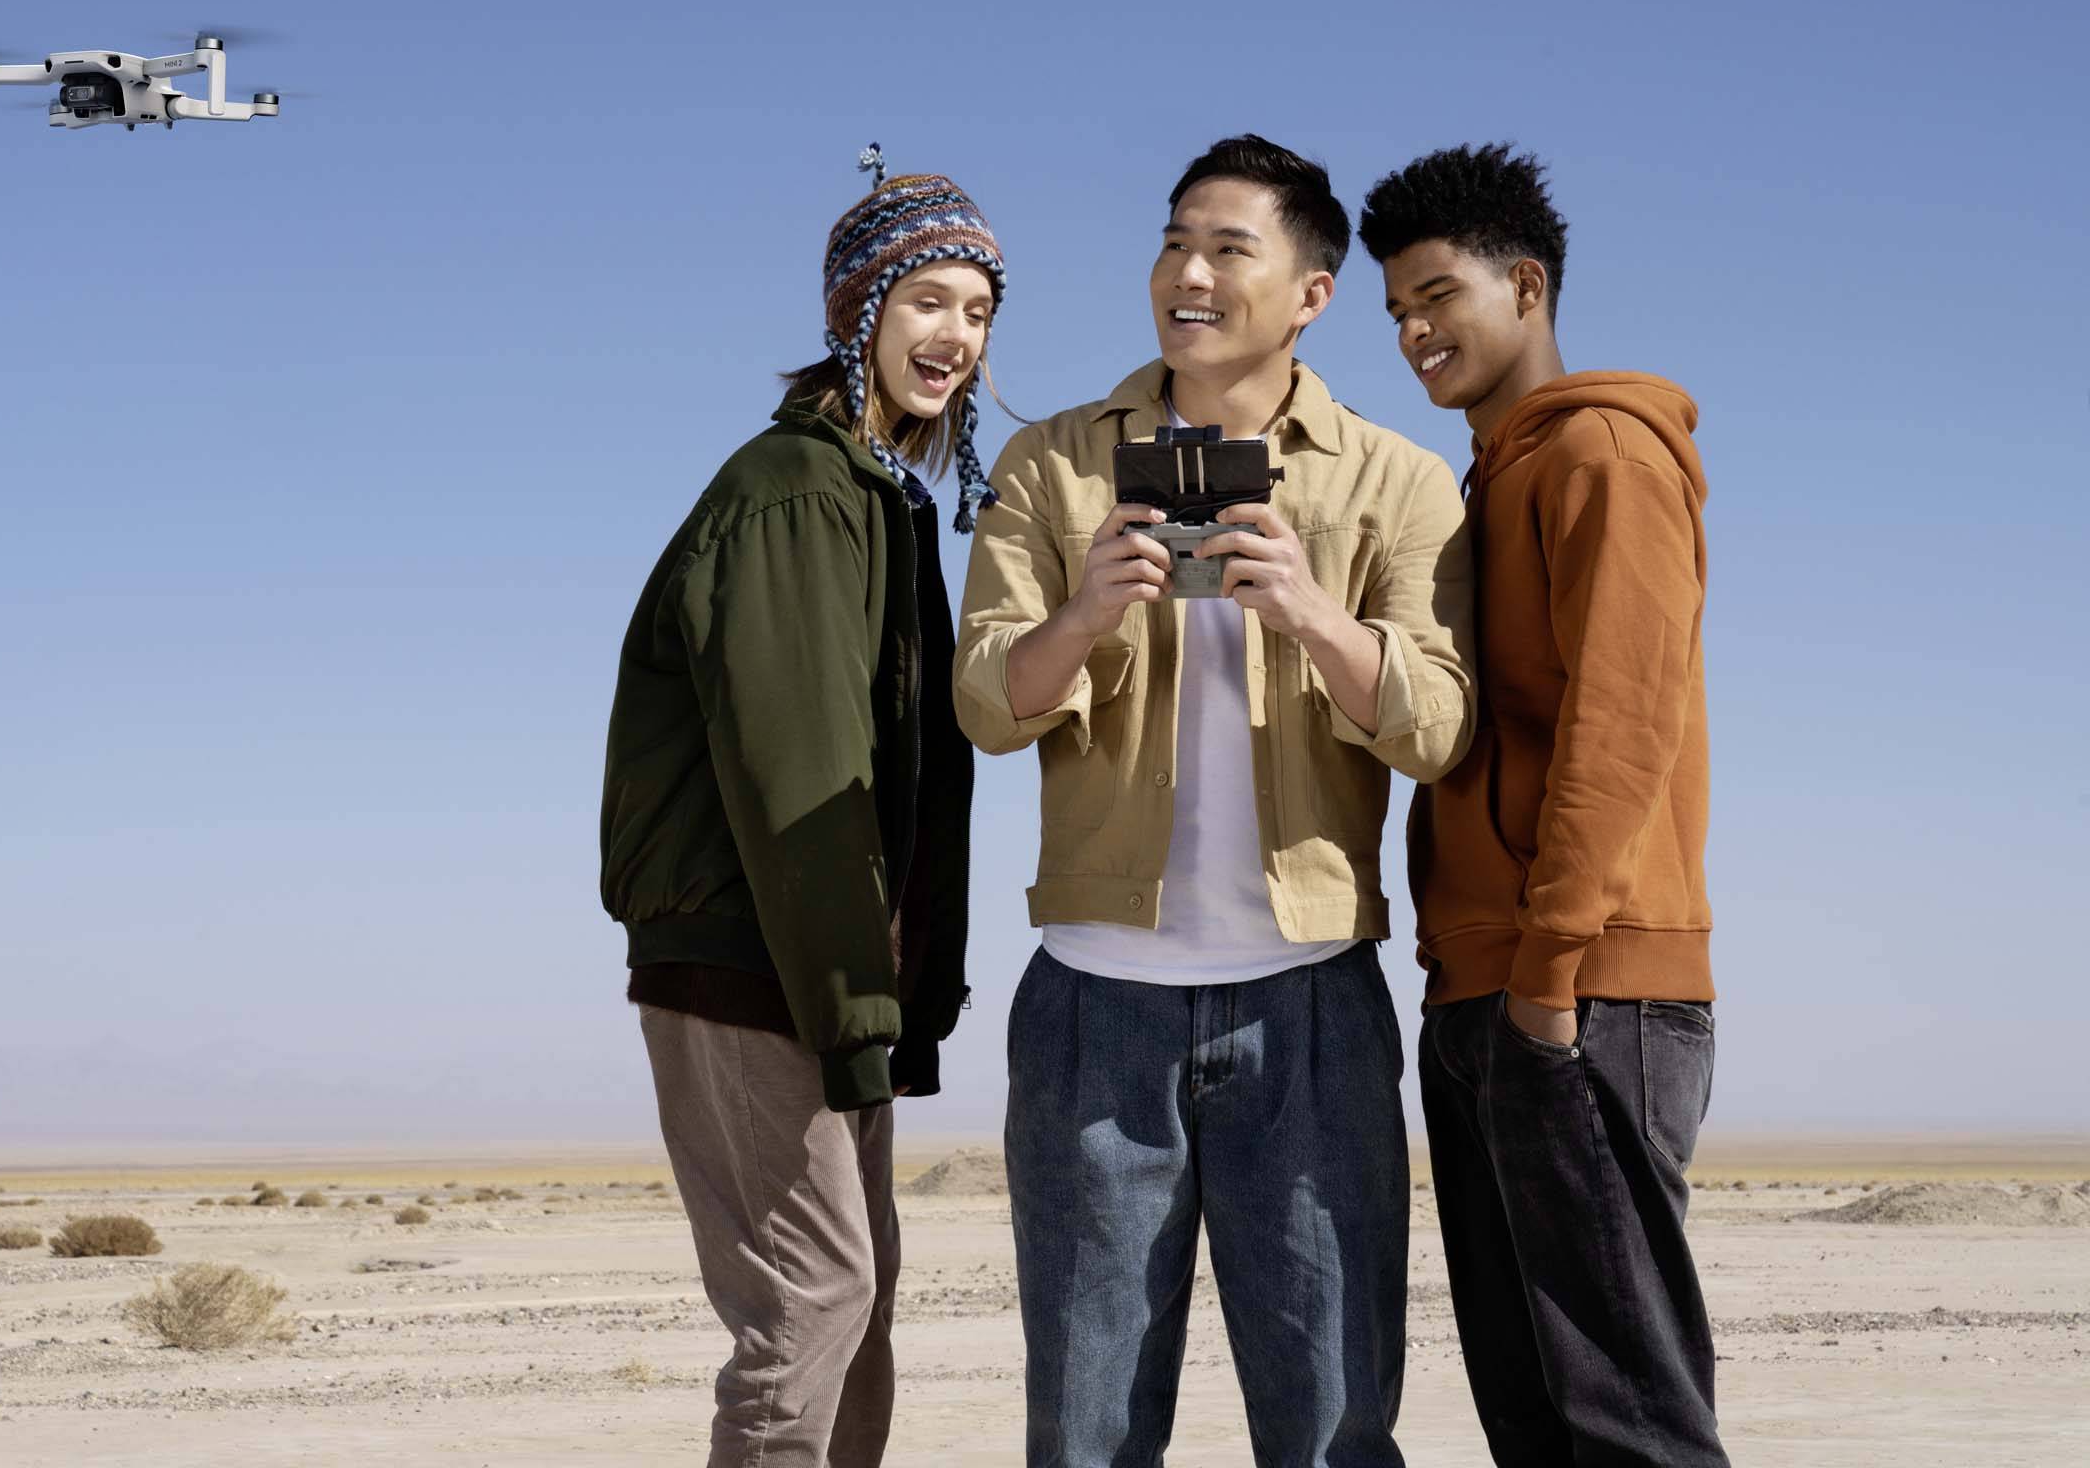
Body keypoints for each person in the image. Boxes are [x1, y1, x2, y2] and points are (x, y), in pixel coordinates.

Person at [954, 133, 1474, 1467]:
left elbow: (1436, 723)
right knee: (1085, 1431)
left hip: (1313, 1008)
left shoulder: (1398, 481)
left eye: (1228, 249)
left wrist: (1307, 607)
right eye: (1174, 242)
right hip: (1090, 1006)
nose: (1187, 273)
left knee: (1334, 1427)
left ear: (1312, 291)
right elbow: (982, 705)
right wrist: (1085, 610)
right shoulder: (1054, 468)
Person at [598, 153, 1004, 1467]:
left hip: (822, 961)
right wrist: (852, 1005)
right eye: (928, 300)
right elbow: (802, 782)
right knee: (814, 1304)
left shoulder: (877, 500)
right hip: (751, 956)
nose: (956, 336)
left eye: (979, 309)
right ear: (858, 309)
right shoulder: (792, 495)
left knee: (859, 1301)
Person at [1359, 142, 1727, 1467]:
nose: (1412, 331)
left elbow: (1621, 728)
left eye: (1437, 296)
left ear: (1525, 288)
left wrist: (1552, 978)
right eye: (1394, 309)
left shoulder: (1604, 458)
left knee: (1625, 1425)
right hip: (1483, 993)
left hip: (1582, 992)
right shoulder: (1487, 480)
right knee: (1534, 1417)